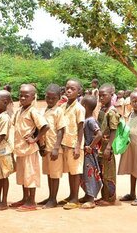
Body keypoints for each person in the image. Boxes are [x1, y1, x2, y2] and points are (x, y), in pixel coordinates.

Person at [11, 84, 49, 212]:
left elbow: (45, 126)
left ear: (33, 97)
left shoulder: (33, 111)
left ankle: (31, 201)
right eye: (21, 95)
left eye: (26, 96)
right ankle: (25, 198)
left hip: (29, 150)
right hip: (20, 149)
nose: (22, 98)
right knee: (22, 176)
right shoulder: (20, 110)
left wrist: (35, 139)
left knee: (30, 176)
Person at [38, 84, 66, 209]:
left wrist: (56, 147)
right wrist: (41, 146)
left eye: (53, 98)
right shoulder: (45, 110)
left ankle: (53, 199)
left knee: (54, 175)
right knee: (49, 174)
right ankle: (50, 196)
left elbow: (61, 130)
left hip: (54, 148)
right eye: (47, 97)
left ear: (59, 98)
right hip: (46, 147)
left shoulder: (58, 111)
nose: (49, 100)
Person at [60, 79, 85, 210]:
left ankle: (75, 199)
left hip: (75, 144)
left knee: (75, 172)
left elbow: (81, 128)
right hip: (66, 143)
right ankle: (71, 195)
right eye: (67, 88)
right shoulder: (63, 106)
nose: (69, 91)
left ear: (79, 92)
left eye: (73, 89)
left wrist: (77, 146)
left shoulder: (79, 108)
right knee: (70, 171)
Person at [97, 84, 120, 206]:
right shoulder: (102, 109)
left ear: (112, 95)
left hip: (107, 146)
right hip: (100, 146)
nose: (101, 98)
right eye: (99, 95)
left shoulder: (112, 112)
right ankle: (104, 196)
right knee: (102, 172)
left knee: (109, 174)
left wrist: (109, 147)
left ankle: (110, 198)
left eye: (104, 95)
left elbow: (114, 130)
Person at [80, 95, 103, 209]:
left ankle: (91, 199)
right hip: (85, 152)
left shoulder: (90, 120)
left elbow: (99, 134)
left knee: (89, 174)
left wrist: (90, 146)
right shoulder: (85, 119)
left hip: (89, 152)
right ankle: (87, 195)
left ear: (84, 106)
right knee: (84, 174)